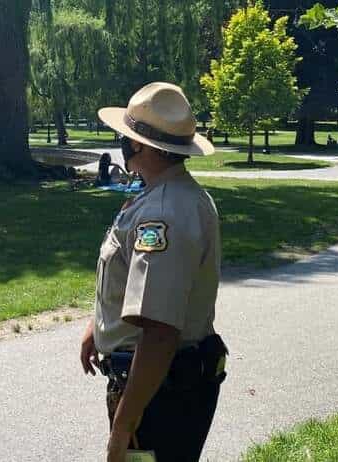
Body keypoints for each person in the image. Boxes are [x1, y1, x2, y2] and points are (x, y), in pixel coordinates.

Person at [81, 82, 228, 462]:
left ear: (139, 146)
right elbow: (133, 279)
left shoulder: (162, 213)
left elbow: (160, 331)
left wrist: (124, 425)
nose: (121, 143)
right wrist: (95, 326)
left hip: (158, 389)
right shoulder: (171, 196)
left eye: (124, 136)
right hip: (163, 383)